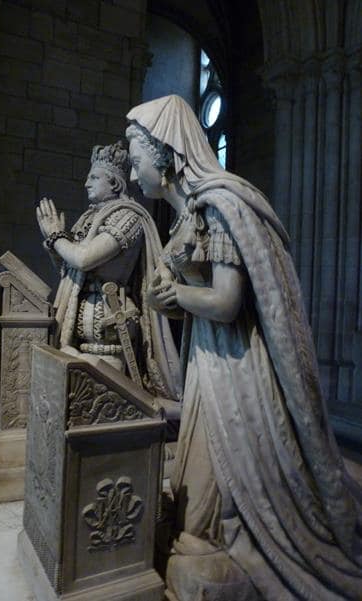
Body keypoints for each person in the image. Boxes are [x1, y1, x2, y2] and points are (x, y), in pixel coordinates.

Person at [126, 95, 362, 601]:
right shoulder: (186, 216)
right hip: (207, 365)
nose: (131, 170)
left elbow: (229, 303)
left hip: (238, 370)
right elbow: (195, 301)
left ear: (163, 154)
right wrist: (169, 301)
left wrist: (178, 294)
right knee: (192, 514)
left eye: (135, 155)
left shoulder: (221, 205)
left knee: (206, 517)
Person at [36, 140, 180, 400]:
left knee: (103, 388)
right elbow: (69, 270)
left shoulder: (129, 217)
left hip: (111, 317)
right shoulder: (88, 219)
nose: (86, 183)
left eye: (94, 177)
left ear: (113, 182)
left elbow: (83, 259)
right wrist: (53, 245)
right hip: (82, 316)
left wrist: (57, 237)